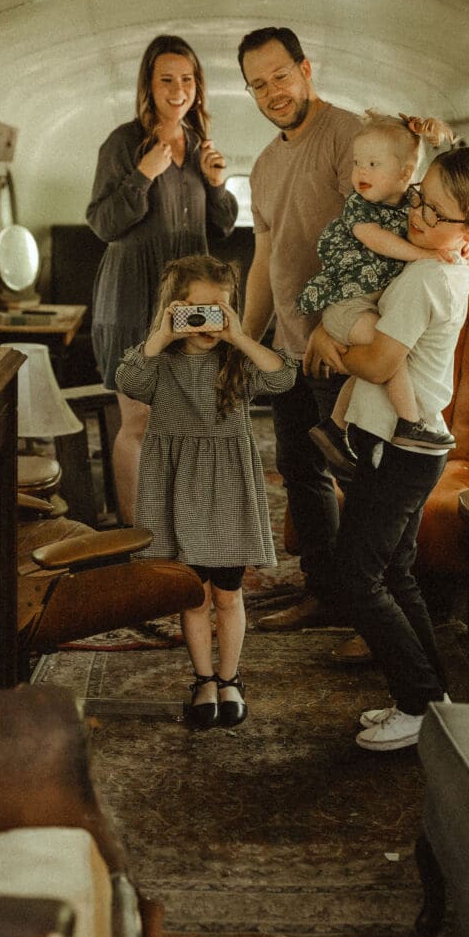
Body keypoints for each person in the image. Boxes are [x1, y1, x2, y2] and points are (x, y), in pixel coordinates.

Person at [305, 146, 469, 751]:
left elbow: (376, 361)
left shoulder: (427, 275)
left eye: (435, 212)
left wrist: (328, 337)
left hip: (403, 447)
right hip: (408, 444)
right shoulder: (445, 261)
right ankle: (433, 697)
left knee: (357, 575)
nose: (417, 216)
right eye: (418, 197)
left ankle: (417, 702)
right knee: (394, 570)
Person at [115, 255, 296, 728]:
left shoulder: (236, 357)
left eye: (219, 310)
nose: (206, 322)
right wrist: (162, 334)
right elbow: (127, 380)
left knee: (229, 595)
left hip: (227, 488)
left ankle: (230, 677)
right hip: (177, 486)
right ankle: (204, 680)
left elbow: (282, 377)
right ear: (174, 310)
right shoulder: (161, 361)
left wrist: (239, 335)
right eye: (196, 311)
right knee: (192, 597)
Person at [237, 26, 363, 639]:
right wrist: (243, 336)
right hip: (288, 347)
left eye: (280, 76)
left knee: (356, 474)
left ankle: (374, 606)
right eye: (257, 85)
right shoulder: (263, 165)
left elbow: (368, 246)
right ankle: (326, 593)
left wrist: (330, 326)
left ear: (306, 68)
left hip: (342, 346)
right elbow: (265, 257)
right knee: (298, 468)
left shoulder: (349, 138)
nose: (272, 92)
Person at [86, 35, 238, 524]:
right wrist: (142, 176)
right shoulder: (123, 143)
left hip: (190, 301)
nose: (178, 90)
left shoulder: (199, 147)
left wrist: (217, 185)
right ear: (148, 86)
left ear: (198, 86)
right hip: (133, 299)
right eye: (166, 79)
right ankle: (138, 536)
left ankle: (179, 523)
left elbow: (224, 225)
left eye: (187, 79)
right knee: (140, 420)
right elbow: (102, 223)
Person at [297, 111, 457, 477]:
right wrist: (424, 254)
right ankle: (410, 422)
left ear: (404, 175)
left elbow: (445, 187)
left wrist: (438, 142)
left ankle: (334, 429)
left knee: (372, 365)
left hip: (366, 306)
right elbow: (376, 240)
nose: (360, 173)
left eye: (372, 164)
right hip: (346, 307)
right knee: (387, 357)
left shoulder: (411, 203)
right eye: (356, 163)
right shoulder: (359, 206)